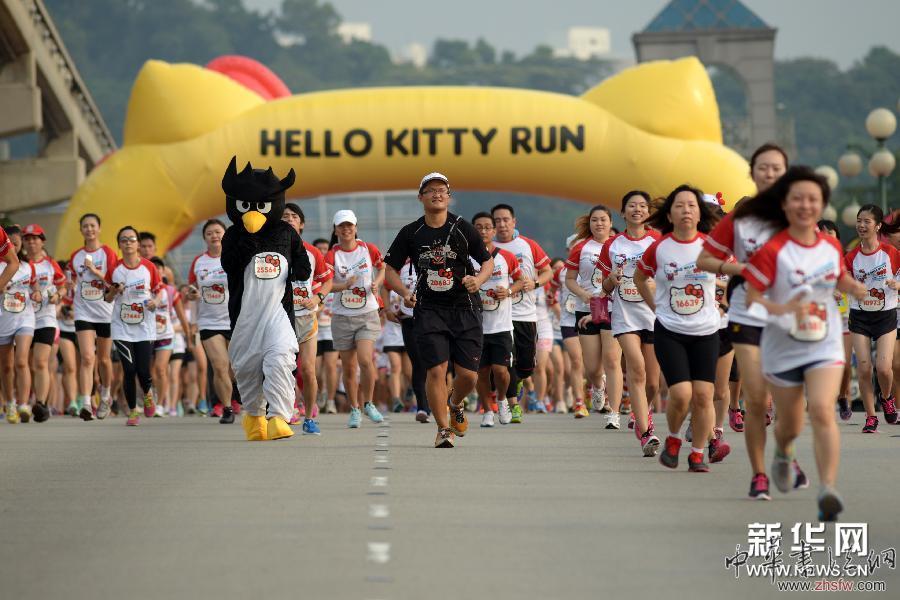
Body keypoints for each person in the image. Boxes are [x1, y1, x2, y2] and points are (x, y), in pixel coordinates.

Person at [740, 166, 866, 521]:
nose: (805, 205)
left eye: (813, 199)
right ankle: (783, 451)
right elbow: (752, 297)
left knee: (823, 409)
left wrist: (853, 287)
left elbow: (838, 277)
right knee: (791, 425)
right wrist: (783, 309)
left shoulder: (830, 245)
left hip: (823, 340)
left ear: (821, 204)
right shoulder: (773, 250)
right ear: (785, 204)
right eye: (798, 198)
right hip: (783, 345)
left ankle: (828, 489)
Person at [697, 142, 810, 500]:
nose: (769, 173)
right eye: (763, 167)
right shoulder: (738, 220)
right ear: (752, 172)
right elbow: (704, 260)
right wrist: (739, 268)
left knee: (789, 399)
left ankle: (786, 455)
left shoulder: (799, 213)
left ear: (785, 172)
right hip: (746, 313)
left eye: (776, 168)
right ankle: (759, 474)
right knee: (757, 398)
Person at [384, 172, 493, 448]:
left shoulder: (463, 227)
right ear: (421, 197)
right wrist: (404, 292)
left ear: (449, 196)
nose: (437, 194)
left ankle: (455, 402)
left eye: (442, 190)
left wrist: (478, 280)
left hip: (465, 308)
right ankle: (443, 429)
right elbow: (390, 270)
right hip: (429, 309)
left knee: (468, 375)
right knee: (436, 371)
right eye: (431, 190)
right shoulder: (411, 232)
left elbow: (487, 261)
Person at [633, 185, 720, 466]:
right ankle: (673, 438)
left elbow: (732, 275)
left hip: (706, 331)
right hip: (670, 331)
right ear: (669, 215)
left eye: (692, 205)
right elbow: (639, 278)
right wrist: (655, 307)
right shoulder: (660, 247)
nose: (686, 210)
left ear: (700, 213)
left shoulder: (712, 246)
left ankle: (697, 454)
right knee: (681, 394)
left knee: (704, 395)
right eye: (679, 206)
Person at [599, 191, 660, 434]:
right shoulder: (612, 245)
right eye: (632, 206)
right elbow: (603, 288)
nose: (637, 210)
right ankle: (645, 431)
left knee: (653, 383)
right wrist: (611, 280)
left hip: (653, 315)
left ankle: (641, 410)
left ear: (649, 212)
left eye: (642, 206)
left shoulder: (658, 241)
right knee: (637, 369)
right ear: (623, 212)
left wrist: (656, 284)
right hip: (625, 316)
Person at [324, 209, 385, 428]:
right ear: (335, 230)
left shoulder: (369, 249)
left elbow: (383, 268)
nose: (346, 229)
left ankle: (369, 403)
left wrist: (377, 282)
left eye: (349, 225)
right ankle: (354, 408)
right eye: (341, 226)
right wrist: (344, 285)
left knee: (365, 360)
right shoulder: (332, 254)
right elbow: (327, 284)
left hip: (367, 314)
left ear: (356, 227)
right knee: (349, 367)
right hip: (342, 317)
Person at [492, 203, 553, 423]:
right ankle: (512, 405)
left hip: (526, 314)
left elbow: (547, 271)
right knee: (506, 361)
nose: (502, 224)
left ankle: (518, 380)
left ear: (514, 221)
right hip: (500, 315)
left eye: (505, 220)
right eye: (497, 221)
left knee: (527, 365)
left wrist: (535, 283)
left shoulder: (528, 245)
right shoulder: (488, 247)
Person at [844, 204, 900, 432]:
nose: (861, 225)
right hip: (859, 317)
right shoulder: (851, 257)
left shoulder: (891, 253)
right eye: (859, 221)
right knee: (865, 369)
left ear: (877, 226)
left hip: (886, 315)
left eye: (867, 221)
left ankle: (886, 398)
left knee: (884, 368)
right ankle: (871, 416)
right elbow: (843, 280)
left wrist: (897, 284)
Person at [104, 226, 164, 426]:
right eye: (124, 240)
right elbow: (107, 297)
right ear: (119, 245)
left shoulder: (149, 267)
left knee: (143, 371)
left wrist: (155, 302)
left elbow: (159, 290)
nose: (128, 243)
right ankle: (132, 411)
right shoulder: (114, 269)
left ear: (138, 244)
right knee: (129, 370)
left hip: (144, 327)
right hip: (121, 327)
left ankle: (147, 393)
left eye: (132, 239)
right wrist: (115, 291)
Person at [282, 203, 333, 435]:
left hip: (306, 318)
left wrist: (317, 297)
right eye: (285, 216)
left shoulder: (312, 252)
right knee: (283, 368)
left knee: (308, 371)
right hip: (280, 318)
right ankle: (288, 408)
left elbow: (327, 281)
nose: (289, 219)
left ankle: (310, 417)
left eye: (294, 216)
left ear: (301, 224)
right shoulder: (271, 251)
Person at [470, 212, 524, 427]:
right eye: (478, 227)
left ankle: (501, 400)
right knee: (481, 372)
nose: (483, 231)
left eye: (487, 227)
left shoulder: (506, 256)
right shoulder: (466, 258)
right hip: (475, 326)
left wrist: (508, 291)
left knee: (501, 371)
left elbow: (520, 281)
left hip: (501, 325)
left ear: (493, 231)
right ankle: (487, 410)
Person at [565, 207, 618, 419]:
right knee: (593, 368)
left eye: (603, 220)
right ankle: (598, 386)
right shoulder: (581, 248)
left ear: (610, 222)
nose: (599, 224)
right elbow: (570, 279)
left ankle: (613, 409)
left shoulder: (618, 246)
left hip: (612, 308)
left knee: (612, 360)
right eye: (595, 220)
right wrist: (583, 294)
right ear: (589, 224)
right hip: (586, 308)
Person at [68, 213, 118, 420]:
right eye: (85, 226)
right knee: (88, 357)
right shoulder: (75, 256)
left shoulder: (107, 253)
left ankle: (105, 395)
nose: (89, 229)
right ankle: (86, 403)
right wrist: (68, 287)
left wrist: (96, 272)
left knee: (104, 360)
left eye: (92, 225)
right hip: (83, 311)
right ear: (81, 230)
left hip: (106, 312)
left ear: (99, 228)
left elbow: (114, 283)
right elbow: (72, 282)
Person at [187, 219, 236, 424]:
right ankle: (227, 408)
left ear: (225, 234)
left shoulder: (234, 256)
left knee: (236, 368)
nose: (214, 236)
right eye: (209, 233)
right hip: (209, 322)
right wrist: (191, 296)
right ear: (205, 238)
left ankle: (237, 396)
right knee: (220, 365)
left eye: (218, 232)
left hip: (235, 320)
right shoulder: (199, 262)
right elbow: (191, 289)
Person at [22, 224, 66, 422]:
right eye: (28, 238)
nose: (31, 242)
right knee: (25, 364)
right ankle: (23, 402)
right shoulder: (19, 264)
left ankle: (41, 404)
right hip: (23, 319)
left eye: (35, 238)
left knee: (40, 362)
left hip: (45, 319)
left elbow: (62, 286)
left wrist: (58, 295)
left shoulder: (50, 264)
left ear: (42, 241)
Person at [0, 226, 38, 423]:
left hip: (25, 317)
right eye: (10, 244)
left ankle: (23, 404)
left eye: (16, 244)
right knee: (6, 366)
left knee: (21, 361)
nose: (13, 247)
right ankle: (10, 403)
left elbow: (35, 286)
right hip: (3, 319)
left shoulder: (27, 266)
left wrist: (37, 293)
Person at [818, 220, 854, 420]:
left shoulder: (847, 259)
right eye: (821, 233)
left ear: (837, 237)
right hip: (821, 319)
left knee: (846, 364)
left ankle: (842, 395)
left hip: (845, 318)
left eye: (829, 233)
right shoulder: (810, 261)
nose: (825, 236)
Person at [150, 256, 192, 416]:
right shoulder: (142, 289)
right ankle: (153, 397)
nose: (156, 271)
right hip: (145, 335)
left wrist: (188, 336)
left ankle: (161, 405)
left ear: (163, 271)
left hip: (165, 334)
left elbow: (182, 315)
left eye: (159, 269)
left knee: (161, 369)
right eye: (152, 269)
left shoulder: (170, 291)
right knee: (149, 373)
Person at [312, 238, 339, 414]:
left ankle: (330, 401)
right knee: (315, 369)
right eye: (319, 249)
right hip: (314, 329)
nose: (322, 252)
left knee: (330, 366)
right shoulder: (311, 275)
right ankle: (320, 392)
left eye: (324, 249)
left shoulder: (334, 276)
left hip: (331, 330)